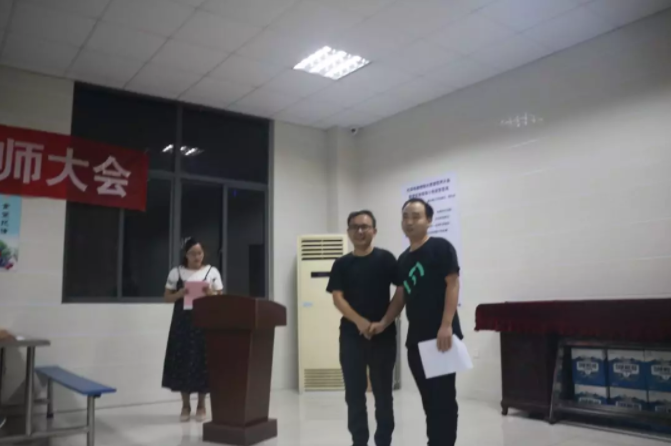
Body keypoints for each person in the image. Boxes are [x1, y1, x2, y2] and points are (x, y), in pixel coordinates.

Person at [370, 198, 463, 446]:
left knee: (443, 400)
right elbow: (400, 295)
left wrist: (446, 325)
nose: (409, 222)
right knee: (429, 401)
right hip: (416, 341)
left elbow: (452, 284)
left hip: (441, 338)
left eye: (416, 216)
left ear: (429, 220)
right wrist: (384, 322)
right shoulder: (403, 260)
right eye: (405, 217)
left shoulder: (441, 247)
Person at [326, 210, 402, 446]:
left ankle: (383, 441)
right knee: (354, 394)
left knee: (383, 394)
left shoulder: (386, 259)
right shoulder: (342, 264)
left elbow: (402, 290)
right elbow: (337, 298)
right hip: (351, 336)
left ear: (374, 231)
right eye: (355, 227)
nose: (360, 231)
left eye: (365, 227)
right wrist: (359, 321)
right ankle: (359, 441)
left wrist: (385, 321)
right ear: (348, 232)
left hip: (384, 336)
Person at [162, 238, 224, 422]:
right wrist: (179, 294)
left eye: (199, 253)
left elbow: (221, 297)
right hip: (182, 323)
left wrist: (211, 294)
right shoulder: (176, 272)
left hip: (204, 321)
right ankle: (185, 405)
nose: (197, 257)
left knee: (203, 360)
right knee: (182, 360)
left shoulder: (212, 272)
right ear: (186, 255)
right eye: (193, 253)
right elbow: (166, 297)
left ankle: (202, 405)